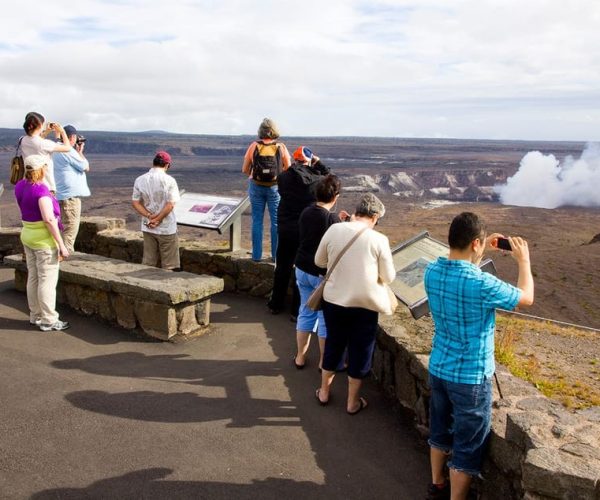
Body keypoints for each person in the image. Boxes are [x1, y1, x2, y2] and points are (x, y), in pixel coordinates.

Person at [423, 212, 534, 500]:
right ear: (475, 243)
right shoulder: (481, 283)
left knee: (440, 430)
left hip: (439, 367)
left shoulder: (431, 271)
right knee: (467, 446)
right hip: (470, 378)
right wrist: (523, 261)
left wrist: (480, 243)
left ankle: (436, 483)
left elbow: (461, 262)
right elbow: (526, 298)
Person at [314, 193, 396, 414]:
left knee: (334, 344)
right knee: (361, 350)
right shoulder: (379, 240)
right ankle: (352, 402)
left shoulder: (334, 229)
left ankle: (324, 392)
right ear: (375, 216)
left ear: (356, 211)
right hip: (365, 306)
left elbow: (319, 261)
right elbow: (388, 277)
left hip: (334, 301)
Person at [267, 146, 331, 317]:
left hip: (285, 228)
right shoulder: (316, 180)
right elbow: (329, 178)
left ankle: (276, 304)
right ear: (309, 160)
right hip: (305, 230)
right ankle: (296, 311)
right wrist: (318, 163)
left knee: (282, 266)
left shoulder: (282, 177)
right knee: (300, 268)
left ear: (295, 160)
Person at [293, 174, 348, 370]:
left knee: (305, 311)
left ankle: (300, 356)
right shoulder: (331, 219)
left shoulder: (306, 212)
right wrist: (341, 222)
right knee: (324, 318)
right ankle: (324, 362)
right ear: (336, 196)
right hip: (320, 275)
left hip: (301, 268)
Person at [14, 154, 70, 331]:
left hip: (27, 235)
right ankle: (49, 319)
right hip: (43, 242)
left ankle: (35, 315)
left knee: (34, 276)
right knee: (47, 280)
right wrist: (61, 244)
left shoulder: (20, 186)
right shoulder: (41, 191)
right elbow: (49, 220)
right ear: (41, 170)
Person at [241, 118, 291, 262]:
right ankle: (276, 256)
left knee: (257, 221)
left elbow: (244, 169)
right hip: (275, 188)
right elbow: (288, 168)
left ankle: (256, 256)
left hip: (256, 186)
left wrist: (256, 174)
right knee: (276, 222)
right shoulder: (281, 147)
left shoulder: (254, 146)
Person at [132, 151, 181, 270]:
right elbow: (170, 205)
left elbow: (135, 202)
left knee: (149, 263)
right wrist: (158, 219)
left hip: (148, 226)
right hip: (166, 228)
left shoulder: (140, 179)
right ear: (167, 165)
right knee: (170, 265)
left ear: (153, 163)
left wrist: (150, 216)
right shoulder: (169, 180)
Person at [53, 125, 90, 252]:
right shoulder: (67, 150)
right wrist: (80, 152)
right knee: (69, 230)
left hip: (57, 196)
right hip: (69, 197)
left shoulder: (54, 148)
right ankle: (66, 259)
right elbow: (85, 166)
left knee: (59, 229)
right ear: (72, 137)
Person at [19, 112, 72, 193]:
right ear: (40, 125)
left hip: (27, 182)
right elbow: (68, 148)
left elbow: (35, 141)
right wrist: (62, 132)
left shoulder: (22, 140)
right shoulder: (45, 144)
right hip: (45, 184)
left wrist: (47, 131)